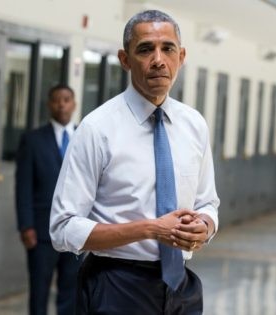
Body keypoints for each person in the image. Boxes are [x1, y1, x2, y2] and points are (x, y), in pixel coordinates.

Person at [50, 10, 220, 315]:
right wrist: (151, 229)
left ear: (181, 57)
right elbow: (63, 228)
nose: (158, 59)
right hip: (115, 285)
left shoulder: (194, 125)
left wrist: (205, 226)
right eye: (145, 49)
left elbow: (208, 202)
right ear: (125, 59)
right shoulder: (97, 129)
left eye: (167, 48)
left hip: (181, 285)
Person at [15, 84, 81, 315]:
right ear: (49, 105)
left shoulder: (85, 137)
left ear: (74, 104)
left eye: (66, 99)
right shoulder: (32, 140)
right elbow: (23, 186)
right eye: (56, 100)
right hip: (41, 231)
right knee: (39, 290)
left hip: (77, 229)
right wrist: (26, 225)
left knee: (71, 289)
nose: (61, 104)